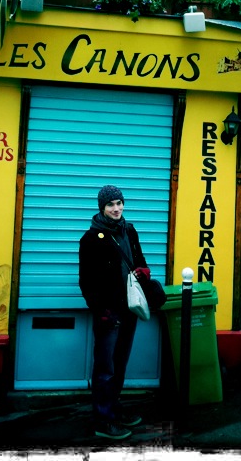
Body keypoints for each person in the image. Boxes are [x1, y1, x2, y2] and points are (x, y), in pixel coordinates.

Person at [79, 185, 152, 440]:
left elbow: (140, 260)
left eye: (119, 203)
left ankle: (113, 409)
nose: (116, 208)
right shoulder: (91, 239)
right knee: (105, 368)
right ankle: (103, 420)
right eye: (111, 204)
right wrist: (101, 311)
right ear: (102, 208)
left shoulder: (129, 230)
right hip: (109, 314)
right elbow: (86, 282)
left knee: (119, 364)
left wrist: (143, 272)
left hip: (129, 308)